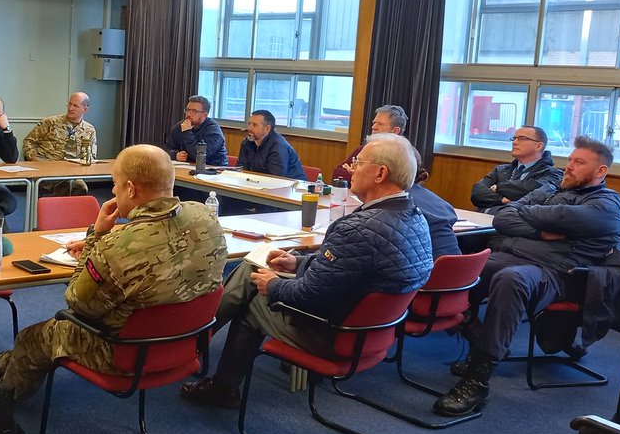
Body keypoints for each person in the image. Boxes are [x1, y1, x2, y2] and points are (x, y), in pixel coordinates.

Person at [180, 133, 433, 408]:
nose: (351, 169)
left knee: (251, 295)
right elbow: (351, 269)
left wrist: (273, 285)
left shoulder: (356, 228)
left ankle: (199, 357)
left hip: (333, 332)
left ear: (380, 173)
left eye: (358, 163)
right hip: (373, 332)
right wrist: (297, 263)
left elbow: (309, 294)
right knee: (253, 268)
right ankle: (199, 351)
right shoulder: (416, 219)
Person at [0, 144, 227, 400]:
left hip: (123, 349)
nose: (112, 189)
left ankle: (4, 400)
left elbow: (77, 301)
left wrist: (97, 238)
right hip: (183, 341)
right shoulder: (204, 216)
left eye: (115, 183)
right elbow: (162, 233)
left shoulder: (115, 249)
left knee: (33, 337)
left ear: (131, 188)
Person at [434, 135, 620, 416]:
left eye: (579, 162)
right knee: (458, 268)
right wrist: (539, 229)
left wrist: (528, 212)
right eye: (570, 160)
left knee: (511, 279)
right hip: (513, 257)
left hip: (559, 274)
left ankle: (478, 378)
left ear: (601, 171)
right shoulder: (554, 189)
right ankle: (476, 336)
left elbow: (546, 215)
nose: (569, 167)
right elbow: (503, 217)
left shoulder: (606, 207)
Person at [470, 125, 562, 212]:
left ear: (538, 146)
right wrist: (502, 199)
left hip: (515, 223)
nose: (514, 142)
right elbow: (477, 192)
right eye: (514, 138)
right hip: (484, 219)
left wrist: (496, 188)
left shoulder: (552, 174)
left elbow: (528, 191)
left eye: (522, 139)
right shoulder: (501, 170)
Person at [21, 92, 97, 196]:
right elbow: (28, 142)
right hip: (47, 171)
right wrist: (38, 162)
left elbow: (91, 156)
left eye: (75, 106)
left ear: (85, 109)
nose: (70, 108)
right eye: (69, 104)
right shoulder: (50, 123)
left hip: (72, 172)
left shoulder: (89, 130)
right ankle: (52, 211)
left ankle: (72, 212)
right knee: (64, 185)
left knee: (80, 188)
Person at [400, 138, 460, 258]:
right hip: (459, 272)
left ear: (382, 171)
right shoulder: (440, 202)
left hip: (429, 273)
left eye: (360, 163)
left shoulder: (399, 205)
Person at [331, 104, 407, 186]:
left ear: (395, 130)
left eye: (380, 124)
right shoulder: (364, 149)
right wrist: (360, 175)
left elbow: (385, 183)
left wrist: (356, 173)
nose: (374, 127)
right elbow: (337, 173)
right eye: (374, 123)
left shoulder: (405, 155)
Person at [238, 109, 306, 179]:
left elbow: (274, 178)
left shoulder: (279, 146)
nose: (249, 128)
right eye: (249, 124)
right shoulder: (247, 142)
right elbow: (241, 169)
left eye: (255, 125)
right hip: (259, 184)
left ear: (267, 128)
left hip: (290, 186)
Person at [165, 95, 228, 167]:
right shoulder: (180, 126)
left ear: (204, 115)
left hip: (214, 170)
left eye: (193, 111)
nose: (188, 114)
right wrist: (175, 155)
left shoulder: (213, 131)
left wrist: (187, 132)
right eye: (187, 110)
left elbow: (199, 156)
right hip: (187, 167)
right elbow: (166, 149)